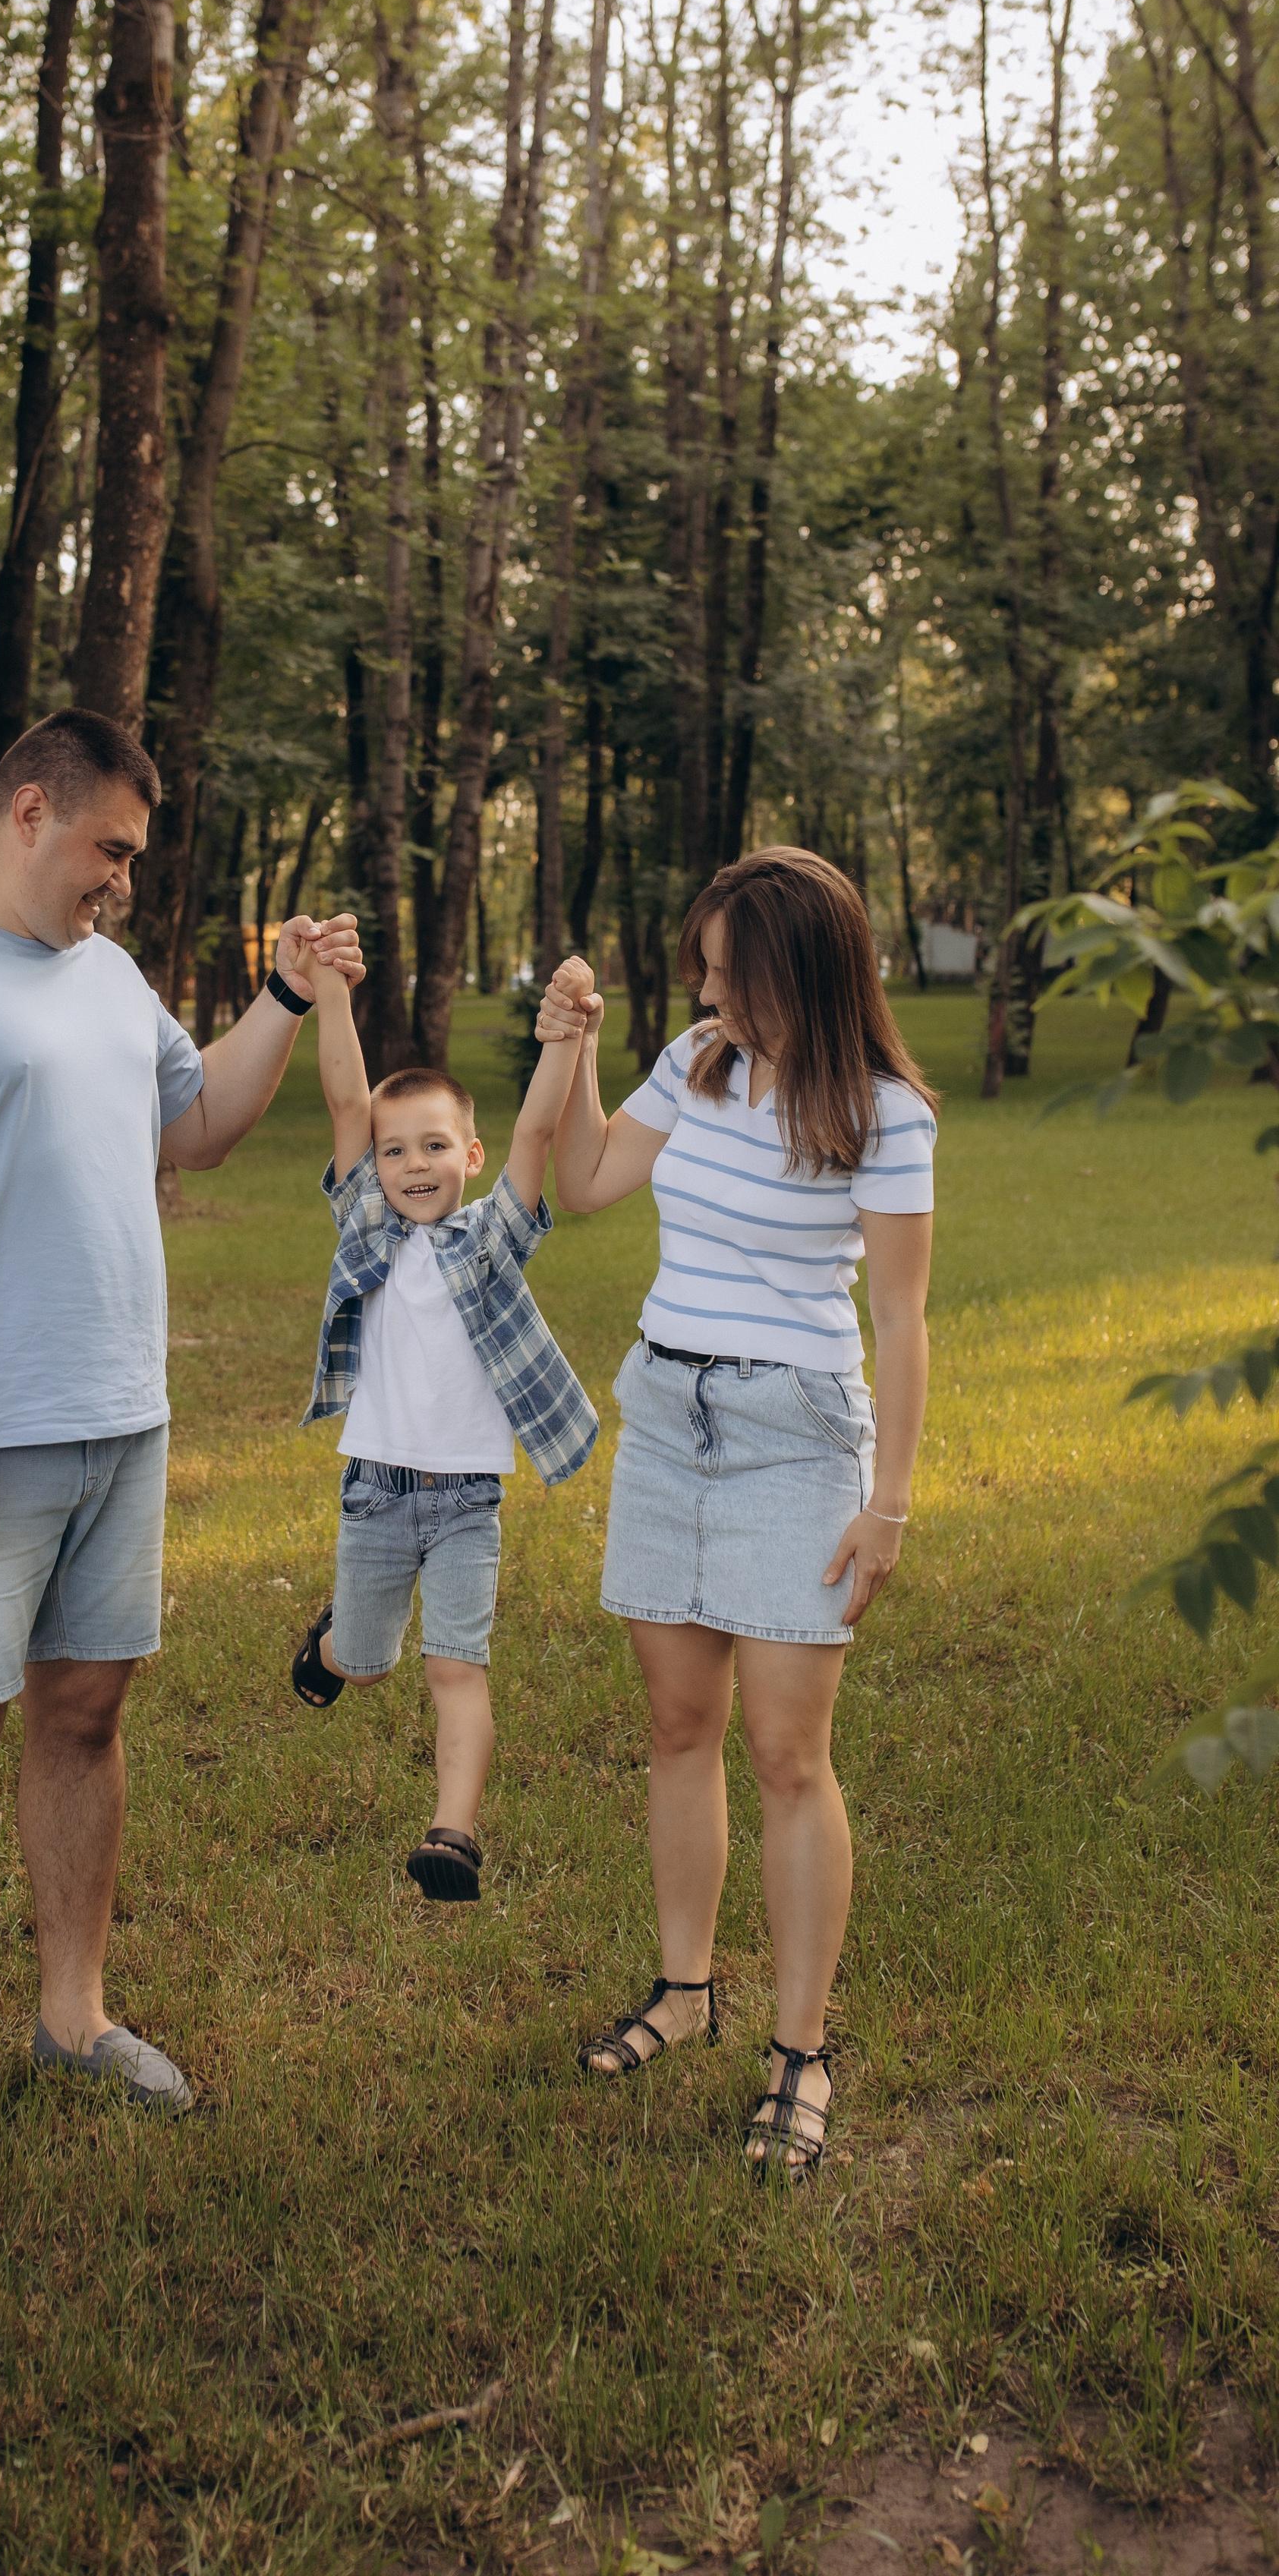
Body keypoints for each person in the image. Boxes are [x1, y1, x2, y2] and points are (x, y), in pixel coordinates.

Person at [0, 707, 363, 2202]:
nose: (122, 879)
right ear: (31, 811)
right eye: (111, 848)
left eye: (134, 857)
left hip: (122, 1424)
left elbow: (198, 1126)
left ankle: (72, 2016)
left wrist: (285, 996)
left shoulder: (108, 976)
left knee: (87, 1719)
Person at [543, 848, 935, 2180]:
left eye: (728, 974)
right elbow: (585, 1182)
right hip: (668, 1416)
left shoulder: (884, 1113)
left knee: (786, 1753)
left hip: (795, 1438)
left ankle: (801, 2053)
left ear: (801, 974)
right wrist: (573, 1049)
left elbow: (900, 1320)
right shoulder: (697, 1062)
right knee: (677, 1726)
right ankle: (684, 1990)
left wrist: (888, 1505)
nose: (708, 994)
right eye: (703, 971)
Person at [290, 944, 598, 1900]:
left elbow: (538, 1130)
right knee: (367, 1664)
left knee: (456, 1668)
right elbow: (347, 1097)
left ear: (469, 1156)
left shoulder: (492, 1239)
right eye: (393, 1151)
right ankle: (331, 1644)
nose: (411, 1165)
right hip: (375, 1497)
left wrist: (563, 1031)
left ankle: (452, 1835)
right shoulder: (366, 1227)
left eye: (432, 1147)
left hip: (468, 1502)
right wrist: (330, 986)